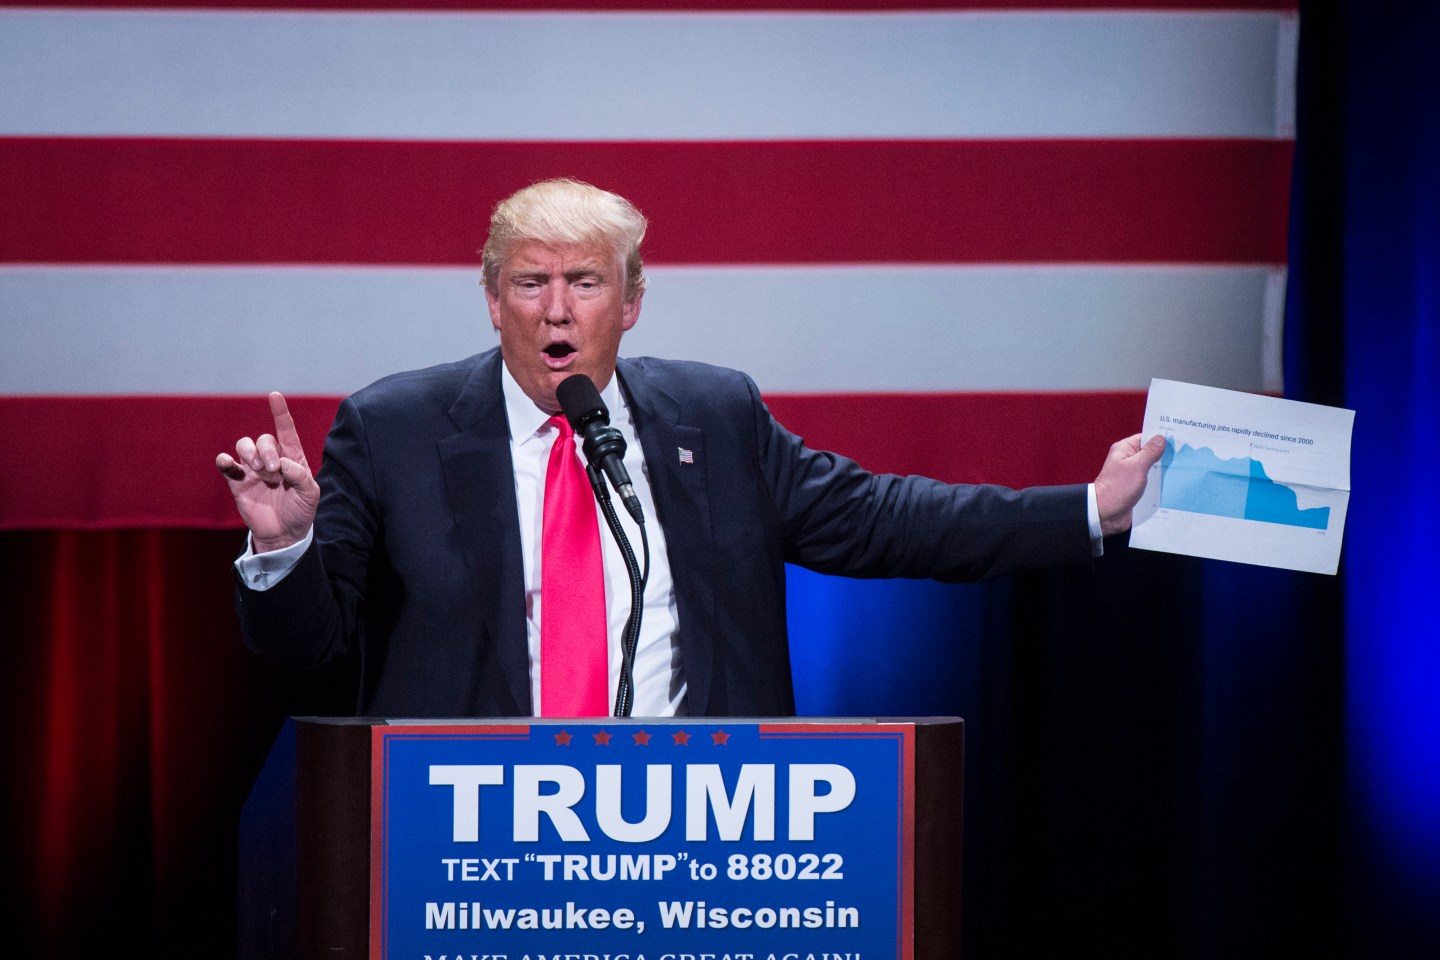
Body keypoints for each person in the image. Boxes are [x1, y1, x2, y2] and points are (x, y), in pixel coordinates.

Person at [217, 178, 1164, 719]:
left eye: (585, 281)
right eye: (530, 282)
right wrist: (283, 548)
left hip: (701, 832)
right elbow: (308, 647)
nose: (556, 309)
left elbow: (883, 522)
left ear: (630, 303)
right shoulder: (392, 429)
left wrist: (1090, 506)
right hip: (472, 840)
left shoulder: (713, 415)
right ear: (492, 298)